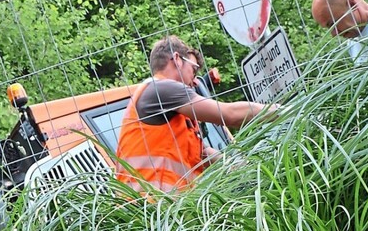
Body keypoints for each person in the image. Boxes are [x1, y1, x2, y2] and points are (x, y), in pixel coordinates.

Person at [115, 35, 272, 194]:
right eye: (193, 70)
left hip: (157, 205)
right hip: (149, 203)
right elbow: (229, 114)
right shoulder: (162, 89)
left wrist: (238, 166)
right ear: (177, 59)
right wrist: (280, 111)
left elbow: (202, 153)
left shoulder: (169, 109)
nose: (195, 82)